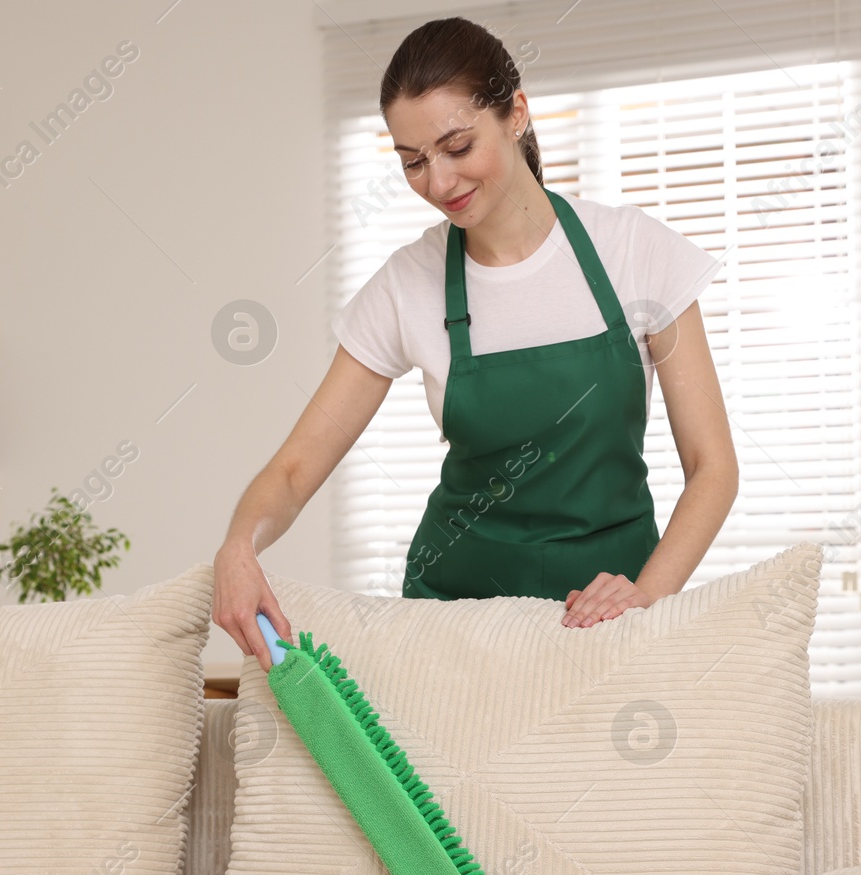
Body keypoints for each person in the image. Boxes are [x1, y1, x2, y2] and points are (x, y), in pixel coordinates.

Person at [215, 16, 738, 674]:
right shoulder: (408, 284)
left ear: (516, 114)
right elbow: (292, 472)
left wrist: (646, 596)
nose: (438, 183)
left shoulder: (636, 252)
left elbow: (712, 465)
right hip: (455, 623)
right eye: (413, 161)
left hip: (610, 617)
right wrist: (239, 546)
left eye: (457, 146)